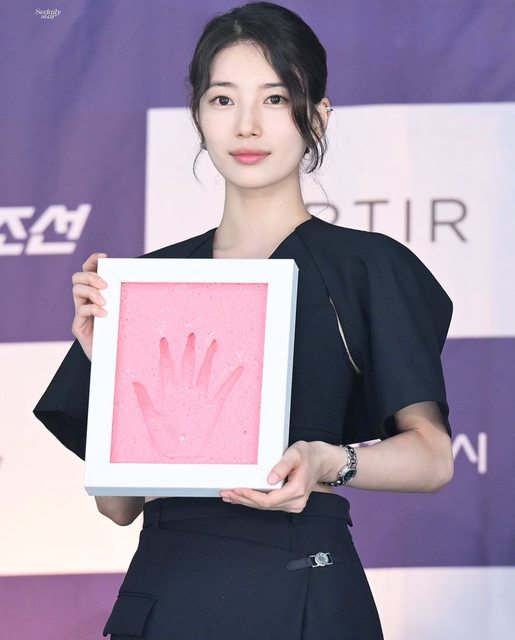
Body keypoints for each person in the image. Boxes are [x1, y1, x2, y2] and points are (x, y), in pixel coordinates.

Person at [34, 3, 454, 639]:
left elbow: (433, 457)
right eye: (223, 99)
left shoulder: (367, 267)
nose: (248, 125)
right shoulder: (149, 281)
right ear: (199, 117)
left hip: (305, 587)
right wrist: (109, 364)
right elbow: (118, 505)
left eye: (276, 98)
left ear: (317, 116)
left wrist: (325, 460)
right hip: (169, 590)